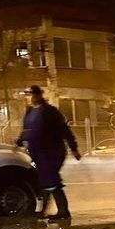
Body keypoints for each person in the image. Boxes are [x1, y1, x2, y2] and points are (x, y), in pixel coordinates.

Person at [16, 85, 81, 220]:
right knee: (44, 180)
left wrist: (73, 148)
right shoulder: (29, 112)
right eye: (27, 95)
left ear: (39, 95)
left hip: (52, 151)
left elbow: (65, 130)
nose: (28, 98)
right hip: (37, 152)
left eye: (31, 94)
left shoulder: (50, 111)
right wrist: (20, 140)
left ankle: (63, 210)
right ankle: (44, 211)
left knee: (50, 179)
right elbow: (27, 130)